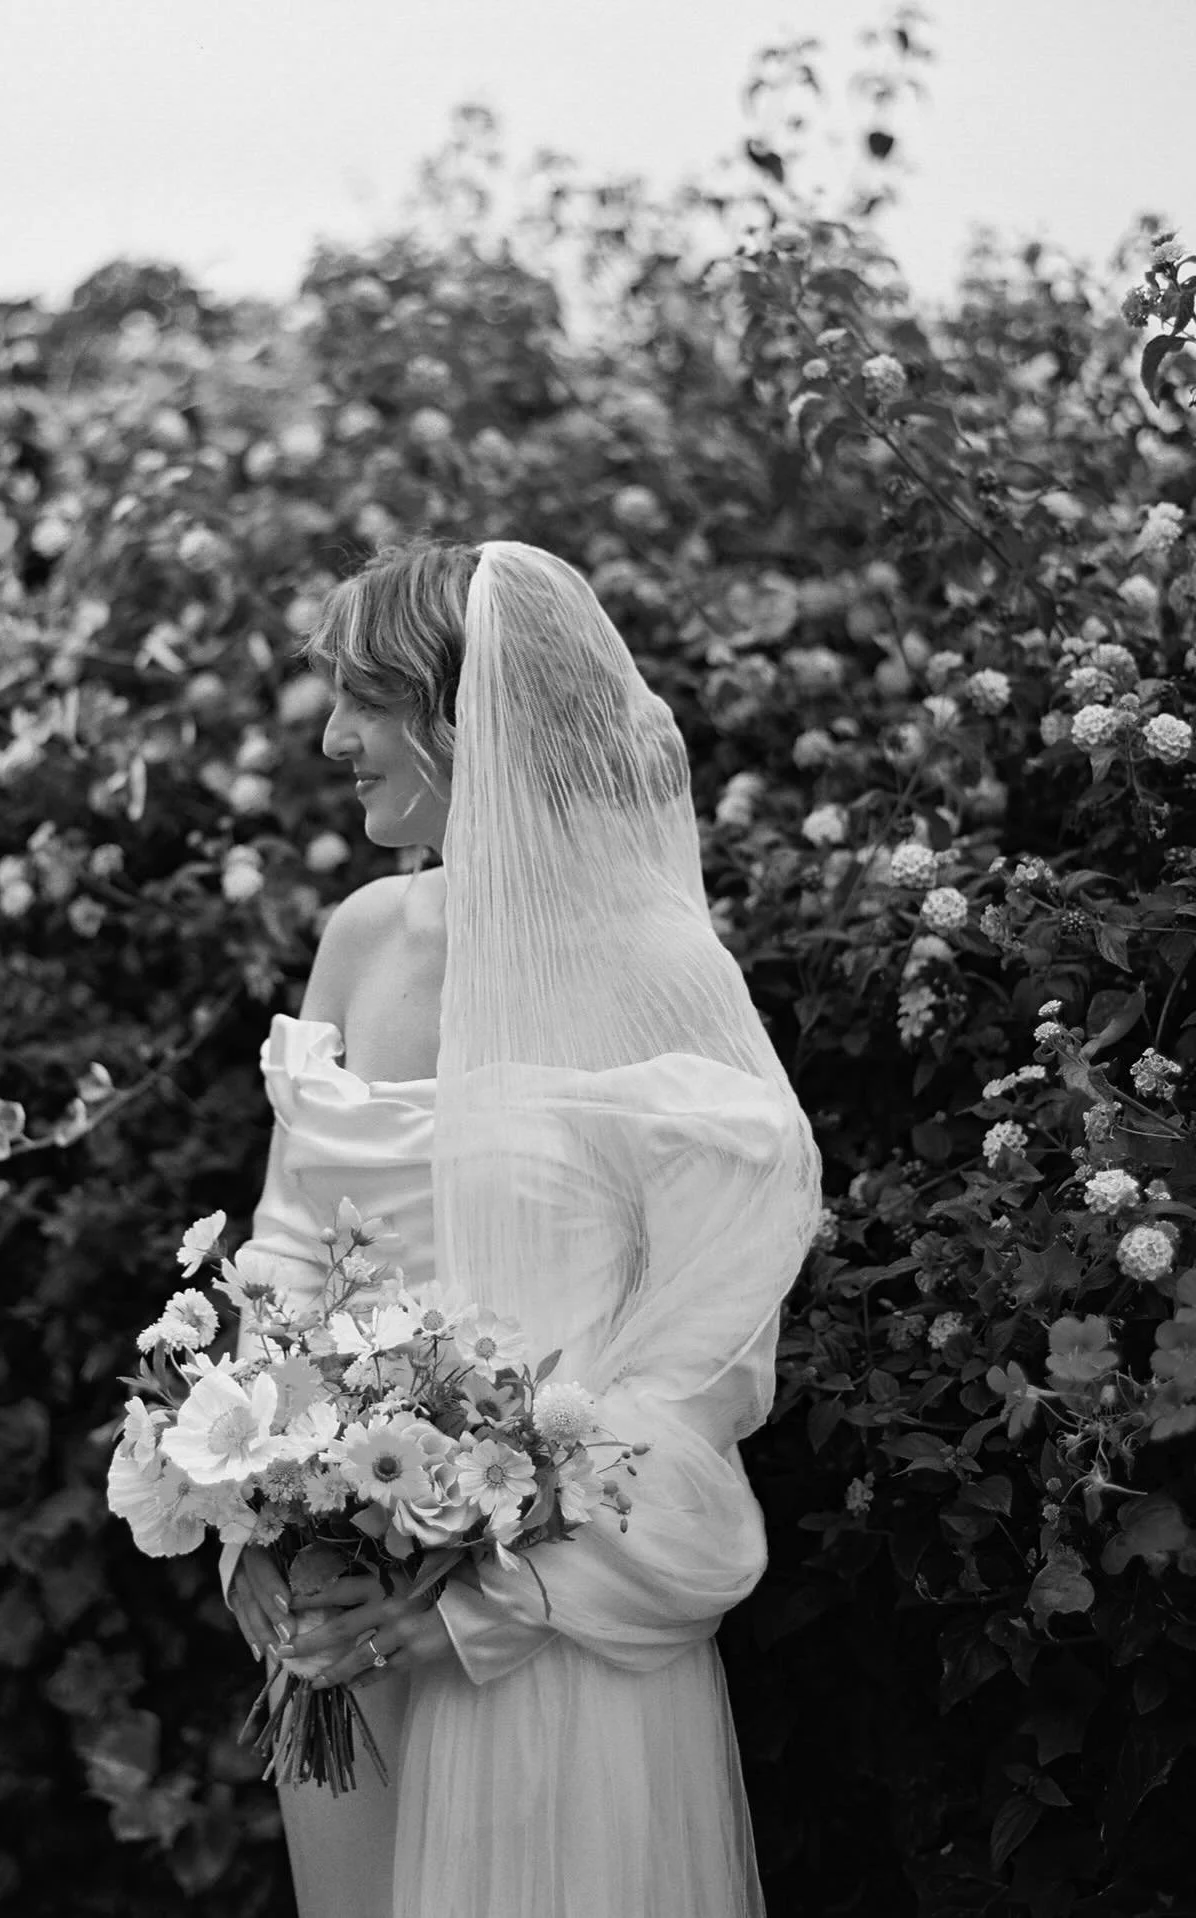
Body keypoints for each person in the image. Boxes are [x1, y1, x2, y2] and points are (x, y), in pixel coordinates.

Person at [228, 538, 822, 1918]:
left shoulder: (653, 967)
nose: (332, 737)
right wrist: (244, 1513)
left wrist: (454, 1602)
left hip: (548, 1647)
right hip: (335, 1632)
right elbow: (287, 1249)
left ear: (463, 714)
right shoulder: (361, 938)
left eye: (364, 699)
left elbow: (702, 1378)